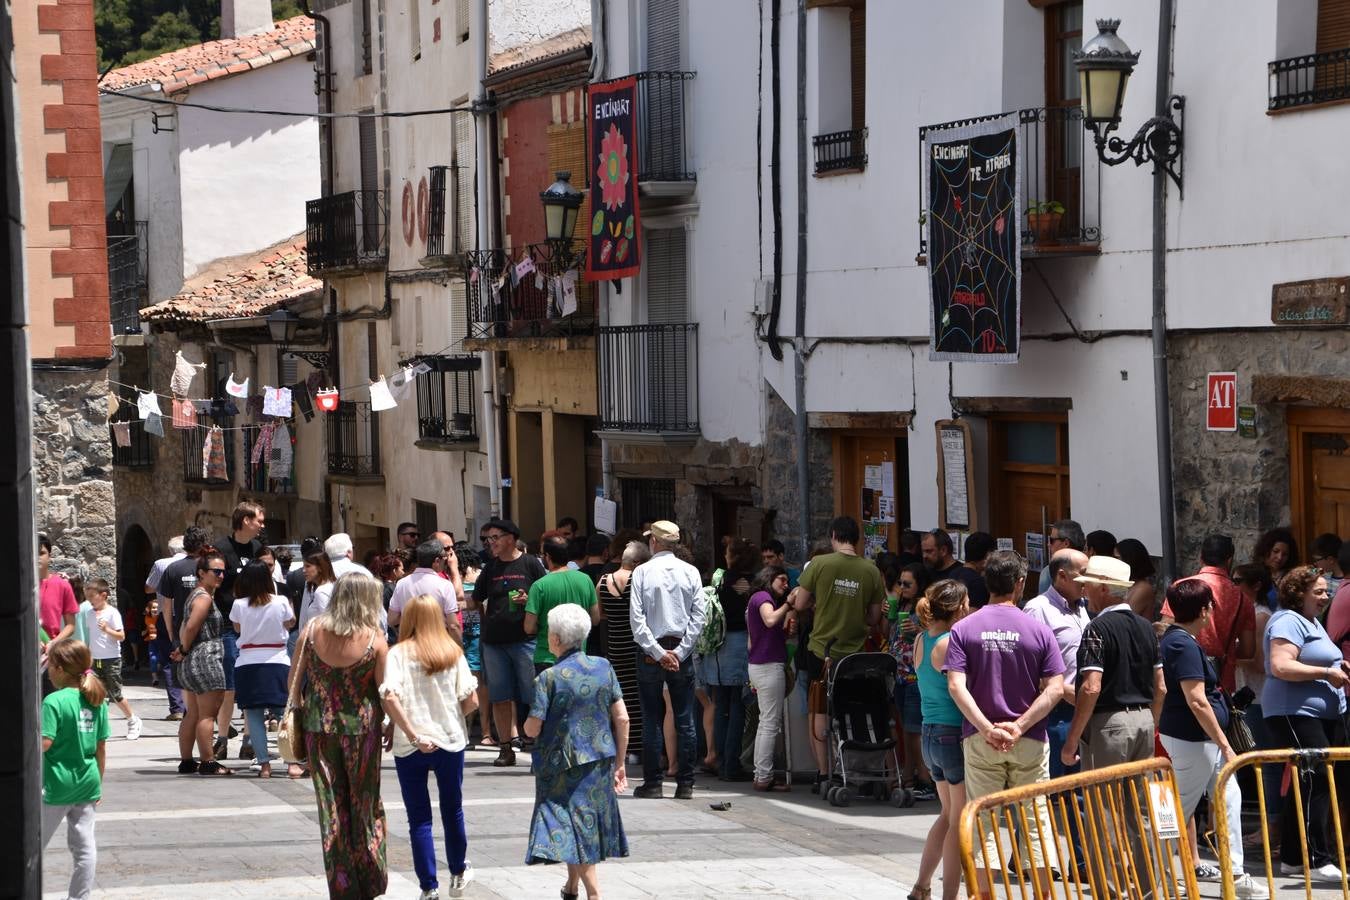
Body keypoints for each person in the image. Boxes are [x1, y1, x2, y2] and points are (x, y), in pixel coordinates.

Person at [945, 550, 1065, 898]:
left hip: (982, 741)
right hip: (1029, 739)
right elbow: (1055, 688)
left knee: (984, 820)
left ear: (986, 582)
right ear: (1020, 583)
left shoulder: (964, 628)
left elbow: (956, 685)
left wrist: (986, 728)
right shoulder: (1038, 630)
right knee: (1035, 819)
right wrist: (1020, 725)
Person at [1159, 579, 1269, 899]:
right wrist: (1224, 743)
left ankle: (1234, 875)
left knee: (1227, 800)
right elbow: (1197, 700)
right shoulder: (1182, 644)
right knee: (1178, 809)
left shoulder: (1179, 641)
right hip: (1194, 741)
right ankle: (1158, 872)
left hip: (1199, 741)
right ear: (1205, 610)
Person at [1062, 555, 1164, 884]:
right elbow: (1160, 686)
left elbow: (1091, 686)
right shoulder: (1147, 628)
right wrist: (1151, 722)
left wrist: (1073, 737)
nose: (1084, 592)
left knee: (1101, 808)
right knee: (1141, 811)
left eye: (1088, 585)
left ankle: (1108, 887)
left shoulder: (1097, 628)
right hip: (1143, 721)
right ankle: (1150, 885)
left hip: (1110, 725)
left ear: (1105, 588)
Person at [523, 603, 630, 900]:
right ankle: (571, 888)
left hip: (560, 767)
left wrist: (527, 725)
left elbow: (533, 728)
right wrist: (620, 763)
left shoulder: (549, 678)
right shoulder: (603, 667)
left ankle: (594, 894)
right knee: (581, 824)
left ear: (555, 639)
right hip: (599, 760)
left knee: (574, 826)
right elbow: (622, 717)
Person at [293, 573, 390, 899]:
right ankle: (370, 878)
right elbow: (385, 691)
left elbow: (292, 684)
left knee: (331, 807)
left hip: (318, 727)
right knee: (365, 804)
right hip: (361, 729)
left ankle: (342, 884)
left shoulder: (310, 632)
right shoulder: (374, 640)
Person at [380, 594, 479, 899]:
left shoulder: (397, 654)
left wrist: (409, 731)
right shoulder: (452, 652)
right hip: (449, 740)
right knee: (453, 809)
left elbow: (390, 696)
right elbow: (471, 700)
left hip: (409, 745)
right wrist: (447, 716)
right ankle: (458, 871)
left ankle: (428, 887)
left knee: (419, 817)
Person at [1263, 565, 1349, 882]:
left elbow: (1313, 657)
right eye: (1319, 592)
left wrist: (1337, 665)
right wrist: (1327, 673)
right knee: (1316, 781)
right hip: (1295, 712)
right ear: (1299, 594)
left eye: (1327, 591)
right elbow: (1281, 664)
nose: (1326, 597)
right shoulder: (1287, 620)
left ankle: (1292, 858)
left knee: (1309, 781)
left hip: (1318, 715)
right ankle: (1316, 859)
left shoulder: (1311, 622)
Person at [791, 516, 886, 784]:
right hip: (854, 655)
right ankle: (855, 770)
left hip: (821, 651)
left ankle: (824, 773)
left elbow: (799, 604)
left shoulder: (820, 564)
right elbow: (874, 617)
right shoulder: (871, 570)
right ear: (857, 538)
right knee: (850, 712)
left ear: (834, 535)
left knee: (818, 712)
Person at [629, 520, 706, 799]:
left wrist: (659, 653)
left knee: (652, 718)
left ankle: (653, 783)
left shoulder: (642, 572)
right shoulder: (691, 572)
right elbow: (699, 617)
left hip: (654, 651)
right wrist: (680, 652)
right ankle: (685, 783)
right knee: (684, 718)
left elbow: (637, 622)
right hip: (678, 651)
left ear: (655, 543)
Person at [909, 580, 972, 900]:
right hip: (950, 735)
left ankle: (921, 886)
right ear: (959, 607)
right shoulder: (950, 642)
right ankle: (949, 895)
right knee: (958, 820)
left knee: (947, 814)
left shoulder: (921, 638)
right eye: (968, 604)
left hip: (930, 735)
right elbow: (959, 689)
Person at [41, 639, 108, 900]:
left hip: (57, 784)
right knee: (84, 847)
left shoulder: (53, 701)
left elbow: (45, 743)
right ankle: (79, 897)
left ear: (57, 668)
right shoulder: (97, 699)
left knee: (34, 844)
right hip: (88, 782)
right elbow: (101, 747)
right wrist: (99, 783)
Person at [477, 518, 546, 767]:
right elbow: (477, 598)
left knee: (533, 694)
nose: (490, 543)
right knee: (500, 697)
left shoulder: (530, 564)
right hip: (494, 643)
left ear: (511, 539)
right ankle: (506, 748)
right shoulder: (490, 568)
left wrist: (529, 602)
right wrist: (486, 623)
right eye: (488, 539)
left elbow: (543, 596)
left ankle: (539, 747)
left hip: (525, 641)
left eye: (494, 538)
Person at [1022, 549, 1090, 784]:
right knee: (1054, 789)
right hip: (1057, 714)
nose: (1088, 580)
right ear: (1062, 576)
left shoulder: (1084, 607)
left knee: (1080, 791)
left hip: (1084, 708)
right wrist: (1063, 690)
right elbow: (1031, 667)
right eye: (1083, 574)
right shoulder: (1038, 609)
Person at [1161, 534, 1253, 693]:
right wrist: (1226, 651)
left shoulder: (1182, 587)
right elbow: (1248, 650)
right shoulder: (1243, 599)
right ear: (1229, 560)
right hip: (1220, 683)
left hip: (1181, 680)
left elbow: (1165, 631)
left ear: (1200, 557)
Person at [229, 561, 294, 778]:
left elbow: (237, 628)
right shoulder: (281, 601)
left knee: (253, 715)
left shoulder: (239, 605)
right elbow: (290, 622)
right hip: (277, 660)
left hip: (248, 662)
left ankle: (264, 764)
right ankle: (291, 761)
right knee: (286, 714)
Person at [170, 548, 231, 776]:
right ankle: (208, 762)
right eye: (216, 571)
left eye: (223, 572)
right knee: (207, 715)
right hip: (206, 660)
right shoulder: (204, 598)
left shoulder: (194, 596)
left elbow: (184, 626)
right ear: (202, 573)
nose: (221, 576)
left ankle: (187, 761)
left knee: (192, 714)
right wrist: (183, 649)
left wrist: (182, 651)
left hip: (192, 660)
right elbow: (192, 626)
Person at [214, 502, 267, 757]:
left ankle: (248, 739)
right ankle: (222, 737)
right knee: (230, 685)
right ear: (245, 521)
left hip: (254, 625)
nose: (262, 525)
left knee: (251, 682)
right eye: (259, 520)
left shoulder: (258, 549)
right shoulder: (221, 549)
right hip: (227, 625)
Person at [1233, 562, 1282, 839]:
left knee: (1267, 765)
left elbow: (1261, 663)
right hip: (1250, 697)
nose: (1233, 584)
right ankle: (1270, 823)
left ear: (1256, 585)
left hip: (1259, 697)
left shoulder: (1260, 616)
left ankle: (1272, 826)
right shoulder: (1250, 613)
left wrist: (1229, 657)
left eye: (1238, 580)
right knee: (1259, 764)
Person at [706, 538, 757, 782]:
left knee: (721, 705)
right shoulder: (746, 583)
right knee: (737, 705)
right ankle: (731, 763)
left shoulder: (721, 579)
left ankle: (722, 761)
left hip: (719, 645)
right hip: (739, 643)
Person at [886, 561, 935, 798]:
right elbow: (889, 634)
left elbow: (935, 635)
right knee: (907, 728)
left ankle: (924, 779)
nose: (902, 588)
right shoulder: (901, 605)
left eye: (908, 584)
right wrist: (888, 615)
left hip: (915, 676)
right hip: (900, 675)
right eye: (900, 583)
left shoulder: (924, 610)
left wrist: (918, 632)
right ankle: (908, 776)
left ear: (920, 585)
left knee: (915, 730)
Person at [597, 541, 650, 756]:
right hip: (635, 642)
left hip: (614, 644)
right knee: (639, 696)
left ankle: (624, 747)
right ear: (637, 563)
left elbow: (600, 614)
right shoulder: (638, 581)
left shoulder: (602, 581)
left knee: (622, 697)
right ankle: (639, 747)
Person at [746, 565, 793, 791]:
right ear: (769, 578)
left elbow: (759, 634)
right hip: (767, 666)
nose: (785, 585)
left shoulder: (757, 598)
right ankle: (763, 776)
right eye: (781, 580)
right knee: (770, 723)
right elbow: (770, 620)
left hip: (759, 665)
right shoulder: (763, 597)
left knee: (765, 722)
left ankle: (761, 774)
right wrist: (789, 605)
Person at [525, 535, 601, 670]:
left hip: (547, 658)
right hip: (579, 657)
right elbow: (595, 619)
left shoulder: (539, 586)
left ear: (547, 556)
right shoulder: (585, 580)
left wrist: (544, 627)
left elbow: (529, 627)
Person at [81, 578, 142, 739]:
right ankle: (100, 727)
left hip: (111, 658)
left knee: (115, 693)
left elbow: (121, 636)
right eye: (87, 597)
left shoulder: (112, 613)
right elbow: (91, 636)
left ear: (104, 595)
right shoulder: (89, 613)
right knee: (96, 694)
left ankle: (133, 720)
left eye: (92, 597)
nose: (89, 601)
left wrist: (107, 629)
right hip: (95, 659)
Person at [390, 540, 464, 640]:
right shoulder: (445, 585)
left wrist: (412, 620)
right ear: (437, 561)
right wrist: (458, 649)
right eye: (444, 558)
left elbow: (392, 619)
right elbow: (453, 625)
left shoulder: (402, 584)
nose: (445, 561)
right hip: (438, 644)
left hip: (410, 644)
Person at [921, 529, 986, 607]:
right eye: (923, 551)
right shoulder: (926, 573)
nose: (924, 556)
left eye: (929, 551)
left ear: (943, 550)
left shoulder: (960, 574)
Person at [38, 533, 78, 646]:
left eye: (41, 553)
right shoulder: (19, 587)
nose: (37, 557)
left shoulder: (62, 586)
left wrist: (53, 643)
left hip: (50, 652)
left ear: (49, 556)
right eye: (33, 553)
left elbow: (70, 625)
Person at [1253, 526, 1299, 607]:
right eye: (1276, 551)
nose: (1279, 557)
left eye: (1285, 554)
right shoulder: (1255, 574)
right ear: (1266, 550)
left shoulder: (1292, 578)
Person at [1037, 518, 1085, 593]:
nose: (1048, 544)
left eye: (1051, 540)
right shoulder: (1092, 569)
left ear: (1066, 543)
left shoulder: (1048, 572)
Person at [297, 551, 338, 637]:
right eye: (303, 566)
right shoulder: (332, 585)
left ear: (320, 567)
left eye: (308, 566)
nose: (304, 571)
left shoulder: (321, 591)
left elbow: (329, 622)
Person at [1116, 538, 1158, 619]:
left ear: (1129, 559)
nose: (1114, 562)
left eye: (1117, 558)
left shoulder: (1143, 589)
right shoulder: (1127, 584)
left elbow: (1123, 618)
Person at [1309, 532, 1344, 598]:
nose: (1315, 563)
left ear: (1330, 559)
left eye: (1317, 560)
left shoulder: (1345, 582)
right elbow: (1306, 574)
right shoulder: (1320, 572)